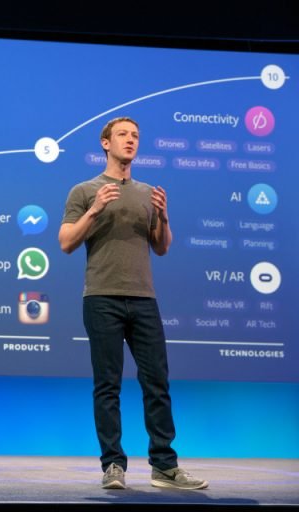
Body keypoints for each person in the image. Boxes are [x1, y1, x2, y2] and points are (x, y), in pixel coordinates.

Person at [58, 116, 208, 490]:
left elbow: (161, 247)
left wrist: (164, 217)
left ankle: (165, 467)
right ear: (105, 143)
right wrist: (95, 210)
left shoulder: (147, 193)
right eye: (123, 134)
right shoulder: (84, 190)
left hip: (143, 299)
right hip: (101, 298)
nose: (131, 140)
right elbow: (66, 242)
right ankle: (113, 465)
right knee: (107, 385)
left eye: (136, 135)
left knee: (156, 382)